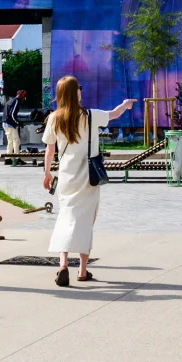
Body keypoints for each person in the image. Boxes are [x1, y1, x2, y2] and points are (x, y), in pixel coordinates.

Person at [41, 76, 135, 287]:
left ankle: (63, 264)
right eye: (79, 88)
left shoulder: (54, 118)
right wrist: (125, 105)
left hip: (66, 176)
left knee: (65, 218)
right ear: (76, 93)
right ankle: (82, 270)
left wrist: (47, 173)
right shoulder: (91, 116)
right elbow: (114, 114)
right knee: (85, 222)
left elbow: (49, 150)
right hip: (88, 178)